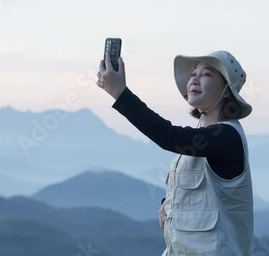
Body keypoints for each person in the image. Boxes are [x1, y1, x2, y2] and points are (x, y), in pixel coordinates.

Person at [97, 50, 254, 255]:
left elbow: (169, 136)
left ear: (226, 91)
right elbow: (202, 191)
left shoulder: (226, 136)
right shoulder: (206, 137)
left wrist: (121, 93)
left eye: (206, 74)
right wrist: (170, 204)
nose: (195, 79)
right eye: (193, 74)